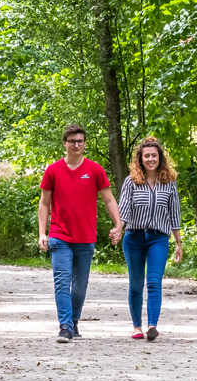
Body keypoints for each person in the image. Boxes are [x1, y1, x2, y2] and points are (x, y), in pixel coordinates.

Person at [38, 123, 121, 343]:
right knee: (62, 281)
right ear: (64, 144)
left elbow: (109, 199)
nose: (76, 144)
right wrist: (42, 232)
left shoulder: (94, 170)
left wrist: (118, 224)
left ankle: (73, 321)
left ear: (84, 144)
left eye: (80, 141)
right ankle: (65, 326)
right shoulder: (53, 170)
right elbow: (44, 203)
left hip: (85, 237)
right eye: (72, 141)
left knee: (80, 286)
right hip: (59, 235)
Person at [113, 136, 183, 341]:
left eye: (154, 155)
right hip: (133, 238)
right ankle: (137, 327)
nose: (150, 159)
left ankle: (152, 325)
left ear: (160, 158)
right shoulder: (131, 182)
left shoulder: (169, 183)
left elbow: (174, 214)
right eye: (146, 156)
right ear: (140, 159)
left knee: (154, 281)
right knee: (136, 283)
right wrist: (118, 229)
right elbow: (123, 210)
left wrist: (178, 243)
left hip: (158, 238)